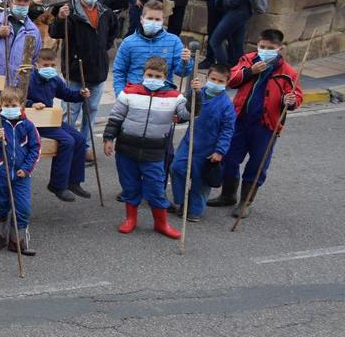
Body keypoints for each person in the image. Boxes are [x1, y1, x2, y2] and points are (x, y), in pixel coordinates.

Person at [209, 29, 303, 216]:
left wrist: (290, 100)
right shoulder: (248, 60)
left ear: (280, 48)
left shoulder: (288, 72)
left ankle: (245, 201)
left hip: (266, 125)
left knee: (258, 163)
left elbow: (297, 96)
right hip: (240, 119)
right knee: (229, 157)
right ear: (257, 45)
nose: (265, 50)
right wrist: (250, 72)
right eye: (262, 46)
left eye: (270, 48)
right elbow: (231, 80)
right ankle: (228, 195)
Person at [103, 56, 190, 239]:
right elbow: (116, 117)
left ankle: (161, 224)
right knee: (129, 186)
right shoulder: (128, 93)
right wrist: (108, 138)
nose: (153, 78)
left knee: (156, 188)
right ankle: (130, 219)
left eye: (157, 76)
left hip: (155, 152)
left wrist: (196, 96)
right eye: (150, 74)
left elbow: (186, 114)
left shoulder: (175, 97)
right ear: (143, 74)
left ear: (165, 77)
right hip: (126, 149)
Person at [48, 0, 118, 161]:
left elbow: (112, 33)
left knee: (91, 110)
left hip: (98, 71)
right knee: (70, 110)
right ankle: (66, 143)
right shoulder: (69, 11)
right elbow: (54, 32)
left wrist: (102, 49)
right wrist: (60, 19)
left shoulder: (106, 12)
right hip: (75, 70)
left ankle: (85, 145)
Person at [169, 65, 235, 222]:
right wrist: (179, 117)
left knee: (201, 180)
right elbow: (187, 111)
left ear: (227, 82)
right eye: (213, 79)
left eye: (220, 81)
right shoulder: (196, 93)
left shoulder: (227, 105)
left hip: (209, 149)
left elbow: (227, 131)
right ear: (207, 78)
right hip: (189, 141)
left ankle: (195, 209)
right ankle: (182, 201)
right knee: (177, 168)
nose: (215, 83)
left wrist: (220, 151)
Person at [26, 48, 91, 202]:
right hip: (33, 120)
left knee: (80, 139)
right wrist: (31, 103)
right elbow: (17, 99)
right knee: (67, 141)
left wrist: (80, 95)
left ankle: (73, 181)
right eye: (45, 65)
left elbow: (66, 94)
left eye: (52, 65)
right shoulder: (28, 79)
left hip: (49, 118)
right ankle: (57, 185)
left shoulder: (55, 80)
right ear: (37, 65)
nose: (49, 68)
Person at [0, 87, 40, 256]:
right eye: (6, 105)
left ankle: (18, 240)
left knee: (23, 207)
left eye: (13, 105)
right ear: (1, 105)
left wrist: (26, 168)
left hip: (22, 174)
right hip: (1, 171)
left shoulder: (28, 125)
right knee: (0, 203)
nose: (10, 108)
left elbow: (35, 148)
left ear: (21, 106)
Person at [111, 0, 192, 98]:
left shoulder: (174, 41)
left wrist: (186, 62)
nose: (153, 22)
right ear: (141, 19)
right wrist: (120, 94)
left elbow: (182, 73)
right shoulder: (128, 42)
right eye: (150, 18)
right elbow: (119, 71)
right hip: (134, 95)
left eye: (157, 19)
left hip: (163, 96)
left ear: (163, 21)